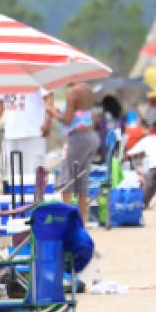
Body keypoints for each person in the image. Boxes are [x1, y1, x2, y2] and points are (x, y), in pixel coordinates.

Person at [0, 88, 53, 182]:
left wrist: (47, 121)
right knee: (12, 177)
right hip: (10, 135)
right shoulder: (2, 79)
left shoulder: (37, 78)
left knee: (34, 174)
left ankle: (34, 192)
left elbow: (48, 97)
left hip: (33, 133)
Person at [58, 81, 99, 216]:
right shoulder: (87, 90)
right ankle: (82, 219)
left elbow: (67, 120)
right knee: (83, 179)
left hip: (78, 138)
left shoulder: (72, 93)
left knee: (67, 177)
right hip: (91, 137)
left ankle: (66, 218)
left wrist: (54, 113)